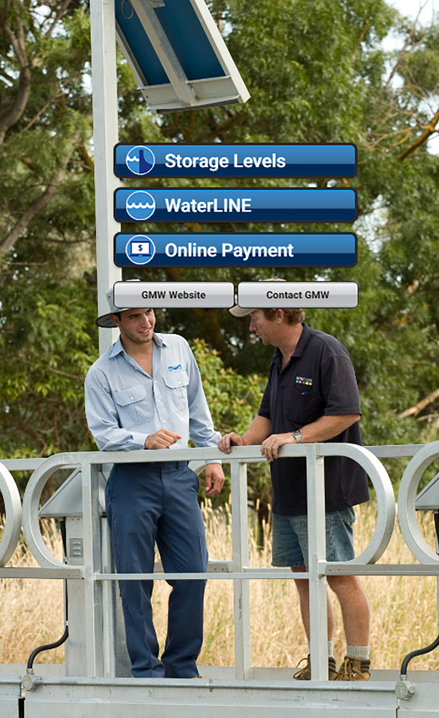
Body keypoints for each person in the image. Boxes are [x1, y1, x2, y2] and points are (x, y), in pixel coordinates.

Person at [218, 303, 370, 682]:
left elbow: (346, 413)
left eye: (254, 318)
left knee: (338, 575)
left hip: (325, 491)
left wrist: (295, 437)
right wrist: (243, 439)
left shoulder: (326, 351)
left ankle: (358, 664)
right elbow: (267, 416)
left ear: (279, 313)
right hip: (288, 489)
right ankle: (322, 660)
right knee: (303, 577)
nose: (251, 327)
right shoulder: (278, 358)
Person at [85, 288, 225, 678]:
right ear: (116, 322)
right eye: (134, 316)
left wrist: (211, 455)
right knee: (134, 580)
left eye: (149, 312)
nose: (146, 321)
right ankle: (146, 668)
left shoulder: (179, 349)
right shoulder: (100, 373)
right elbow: (102, 433)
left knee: (194, 571)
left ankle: (182, 666)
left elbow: (198, 409)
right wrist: (141, 440)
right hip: (132, 481)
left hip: (181, 476)